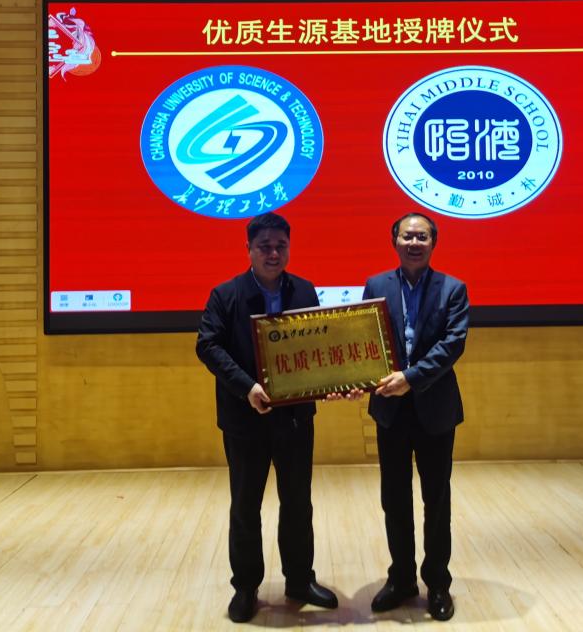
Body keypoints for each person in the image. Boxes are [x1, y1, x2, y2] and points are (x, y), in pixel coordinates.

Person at [195, 212, 338, 624]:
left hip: (295, 419)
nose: (273, 253)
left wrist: (329, 380)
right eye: (265, 247)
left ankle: (299, 580)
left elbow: (318, 346)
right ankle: (245, 586)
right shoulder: (226, 294)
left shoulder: (304, 290)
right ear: (249, 250)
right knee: (245, 506)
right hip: (245, 419)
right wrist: (247, 387)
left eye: (280, 246)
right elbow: (208, 346)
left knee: (298, 503)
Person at [363, 212, 469, 622]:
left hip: (434, 408)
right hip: (390, 409)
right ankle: (402, 578)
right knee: (394, 498)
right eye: (407, 236)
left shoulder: (453, 289)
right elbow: (365, 341)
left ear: (433, 243)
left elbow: (452, 344)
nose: (414, 243)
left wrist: (410, 378)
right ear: (394, 240)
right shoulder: (376, 285)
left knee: (436, 500)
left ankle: (437, 582)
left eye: (421, 237)